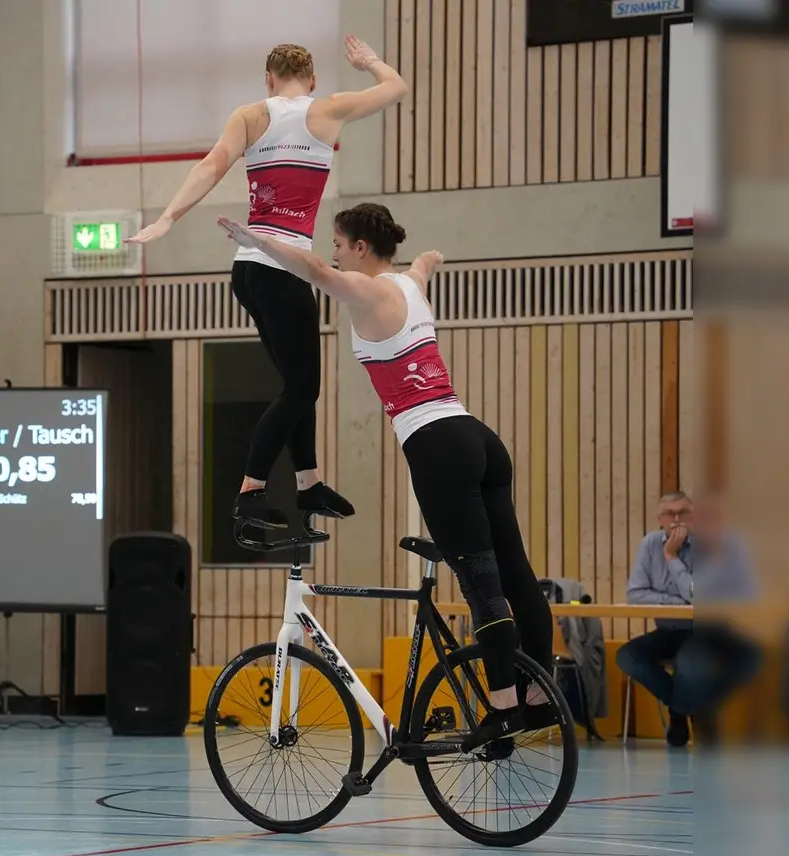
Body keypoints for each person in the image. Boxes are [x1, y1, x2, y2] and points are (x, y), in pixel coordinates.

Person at [215, 203, 553, 753]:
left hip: (438, 447)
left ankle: (503, 710)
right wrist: (430, 257)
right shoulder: (409, 284)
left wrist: (255, 241)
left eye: (341, 243)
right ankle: (538, 694)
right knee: (516, 574)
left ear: (362, 250)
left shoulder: (365, 290)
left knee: (482, 587)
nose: (335, 252)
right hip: (479, 438)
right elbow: (421, 264)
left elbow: (314, 273)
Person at [128, 37, 408, 529]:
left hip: (249, 269)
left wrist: (169, 217)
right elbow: (396, 87)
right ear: (313, 80)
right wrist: (369, 62)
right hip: (284, 268)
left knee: (297, 386)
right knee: (303, 387)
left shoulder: (249, 116)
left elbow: (209, 168)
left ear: (269, 79)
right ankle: (251, 490)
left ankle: (308, 483)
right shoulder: (329, 109)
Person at [617, 490, 761, 747]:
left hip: (704, 631)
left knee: (692, 665)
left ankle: (685, 711)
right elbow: (635, 594)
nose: (676, 519)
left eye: (683, 512)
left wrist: (671, 557)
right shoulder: (649, 544)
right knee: (627, 657)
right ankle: (688, 708)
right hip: (668, 631)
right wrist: (679, 602)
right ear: (659, 519)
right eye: (669, 514)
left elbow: (699, 596)